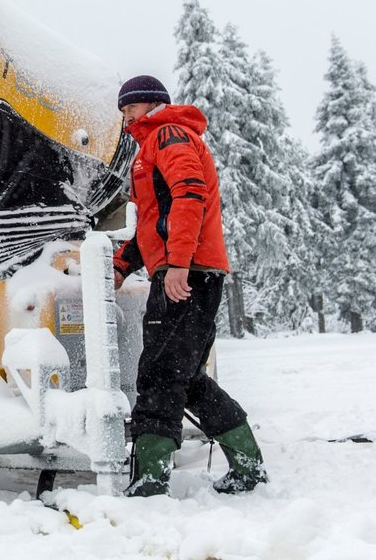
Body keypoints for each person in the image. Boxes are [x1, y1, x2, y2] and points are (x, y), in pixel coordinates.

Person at [112, 75, 268, 497]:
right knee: (185, 377)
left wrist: (178, 264)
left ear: (151, 104)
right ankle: (248, 466)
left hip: (187, 272)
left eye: (130, 107)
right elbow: (152, 223)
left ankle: (150, 480)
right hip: (189, 269)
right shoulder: (153, 145)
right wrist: (122, 266)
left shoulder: (169, 133)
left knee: (161, 374)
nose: (125, 116)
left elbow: (189, 194)